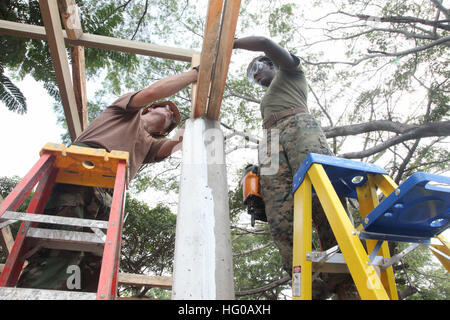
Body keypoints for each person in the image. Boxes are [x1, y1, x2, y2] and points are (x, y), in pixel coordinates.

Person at [17, 66, 199, 292]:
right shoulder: (125, 111)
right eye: (167, 109)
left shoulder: (149, 145)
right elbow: (152, 92)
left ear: (162, 133)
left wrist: (197, 119)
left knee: (91, 268)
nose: (170, 114)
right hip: (80, 171)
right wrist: (195, 74)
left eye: (172, 119)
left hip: (110, 195)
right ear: (148, 109)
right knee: (59, 246)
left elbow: (177, 144)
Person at [233, 36, 357, 299]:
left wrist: (232, 44)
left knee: (323, 197)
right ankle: (308, 284)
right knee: (278, 214)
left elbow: (266, 42)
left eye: (257, 69)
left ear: (271, 63)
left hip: (299, 126)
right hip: (270, 140)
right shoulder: (267, 99)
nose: (256, 77)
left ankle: (345, 281)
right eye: (252, 77)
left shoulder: (291, 72)